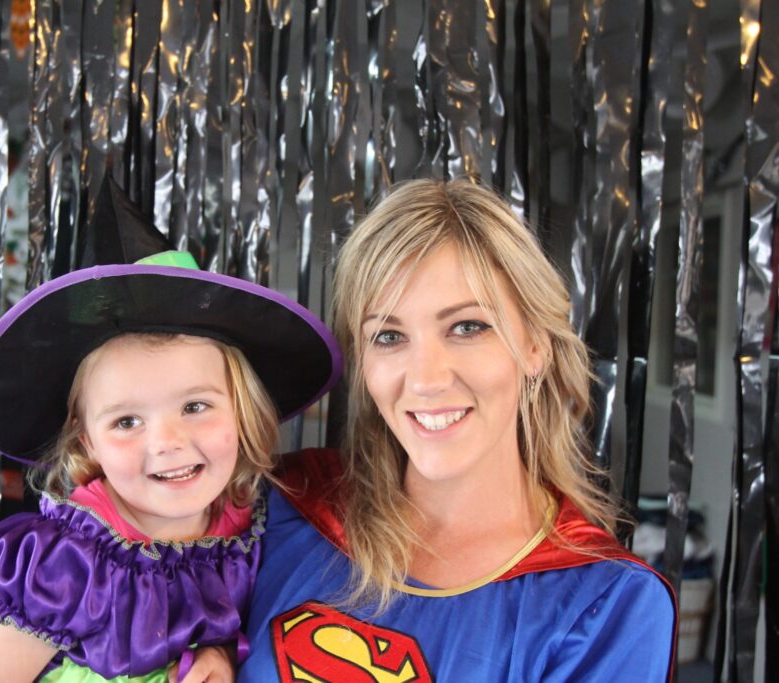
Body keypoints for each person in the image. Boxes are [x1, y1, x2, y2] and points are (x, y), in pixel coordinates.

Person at [238, 179, 677, 681]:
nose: (426, 379)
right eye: (389, 336)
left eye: (467, 327)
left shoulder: (603, 607)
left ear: (535, 345)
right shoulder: (282, 509)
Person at [0, 179, 342, 683]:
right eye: (127, 421)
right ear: (85, 439)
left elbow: (220, 622)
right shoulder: (70, 566)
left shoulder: (247, 525)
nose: (167, 443)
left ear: (242, 410)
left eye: (196, 405)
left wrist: (219, 653)